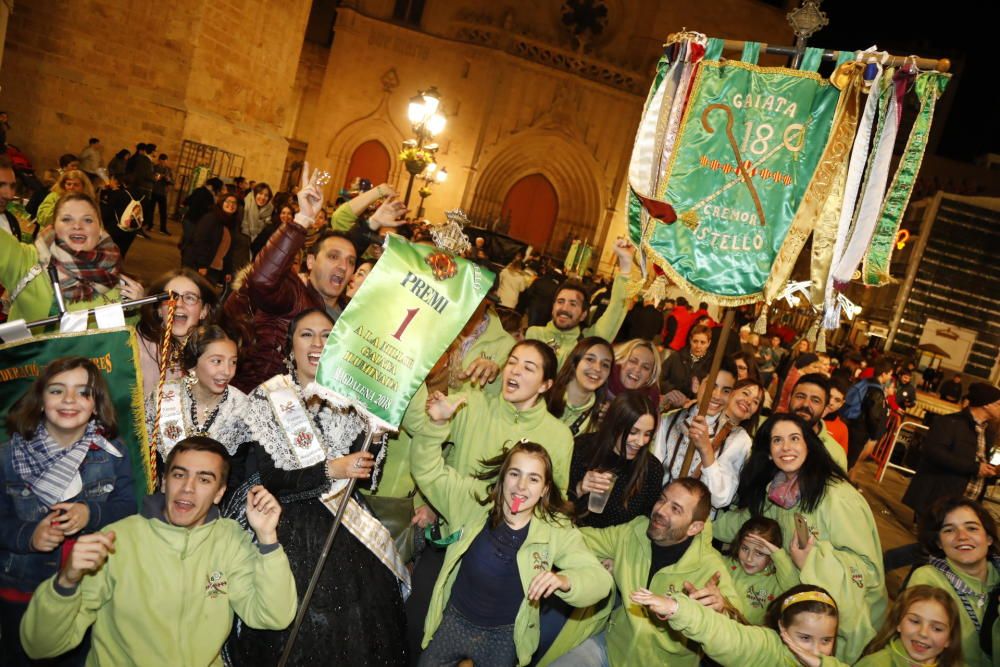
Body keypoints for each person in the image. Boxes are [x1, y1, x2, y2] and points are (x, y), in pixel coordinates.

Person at [230, 308, 409, 666]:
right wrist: (331, 468)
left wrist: (375, 434)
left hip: (346, 523)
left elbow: (369, 477)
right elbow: (272, 479)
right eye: (306, 334)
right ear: (289, 346)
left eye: (327, 335)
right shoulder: (269, 397)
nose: (317, 343)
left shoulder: (355, 399)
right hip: (286, 523)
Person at [19, 437, 297, 665]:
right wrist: (65, 582)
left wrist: (267, 539)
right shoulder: (117, 540)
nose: (187, 489)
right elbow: (41, 646)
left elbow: (273, 616)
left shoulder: (230, 538)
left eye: (204, 479)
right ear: (164, 482)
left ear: (219, 493)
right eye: (179, 475)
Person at [409, 392, 613, 667]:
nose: (521, 486)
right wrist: (436, 426)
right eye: (515, 474)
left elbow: (601, 581)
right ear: (502, 478)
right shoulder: (473, 502)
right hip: (454, 620)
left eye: (533, 479)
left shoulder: (555, 529)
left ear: (544, 490)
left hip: (505, 636)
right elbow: (428, 471)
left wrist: (564, 580)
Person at [403, 340, 572, 662]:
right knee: (417, 626)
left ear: (546, 384)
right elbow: (426, 446)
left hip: (506, 559)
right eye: (512, 362)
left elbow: (553, 503)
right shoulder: (474, 404)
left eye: (528, 367)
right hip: (452, 537)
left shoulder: (558, 436)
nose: (515, 371)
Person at [713, 414, 887, 663]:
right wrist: (696, 520)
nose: (786, 447)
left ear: (809, 444)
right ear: (769, 452)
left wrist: (812, 560)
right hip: (792, 620)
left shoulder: (838, 498)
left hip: (832, 629)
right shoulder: (775, 489)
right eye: (777, 440)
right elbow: (744, 525)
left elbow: (868, 570)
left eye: (794, 438)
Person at [0, 358, 136, 666]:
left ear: (96, 404)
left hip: (88, 590)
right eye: (57, 391)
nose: (69, 401)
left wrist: (91, 514)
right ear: (40, 400)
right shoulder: (7, 457)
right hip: (23, 588)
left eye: (82, 392)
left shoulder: (112, 453)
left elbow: (127, 508)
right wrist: (29, 536)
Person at [225, 167, 406, 393]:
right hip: (262, 406)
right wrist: (302, 219)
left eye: (351, 262)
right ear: (310, 262)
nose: (343, 266)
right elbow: (261, 279)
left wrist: (371, 224)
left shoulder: (350, 313)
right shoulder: (291, 294)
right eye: (332, 257)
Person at [545, 478, 742, 666]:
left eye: (675, 509)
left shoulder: (710, 569)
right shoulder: (635, 530)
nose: (660, 510)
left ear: (695, 527)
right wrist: (537, 525)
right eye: (662, 499)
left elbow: (739, 636)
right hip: (611, 647)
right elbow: (581, 539)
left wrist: (723, 610)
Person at [0, 192, 144, 324]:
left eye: (87, 220)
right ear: (53, 226)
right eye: (66, 219)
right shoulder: (26, 260)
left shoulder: (119, 283)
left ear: (99, 229)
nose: (77, 226)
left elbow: (122, 343)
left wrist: (135, 310)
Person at [632, 584, 850, 667]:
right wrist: (677, 608)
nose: (814, 650)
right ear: (782, 628)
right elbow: (726, 635)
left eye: (825, 640)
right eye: (804, 638)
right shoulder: (768, 647)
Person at [906, 497, 1000, 667]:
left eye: (971, 528)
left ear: (989, 538)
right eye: (949, 530)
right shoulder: (928, 580)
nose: (962, 537)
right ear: (939, 543)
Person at [145, 324, 250, 462]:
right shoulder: (163, 398)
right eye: (217, 361)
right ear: (193, 363)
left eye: (233, 362)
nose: (227, 371)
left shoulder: (241, 407)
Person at [525, 239, 634, 368]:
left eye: (573, 304)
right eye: (560, 301)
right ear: (553, 307)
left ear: (583, 314)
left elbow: (616, 309)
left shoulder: (587, 343)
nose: (564, 308)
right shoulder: (534, 335)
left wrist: (626, 265)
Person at [660, 375, 762, 514]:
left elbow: (722, 497)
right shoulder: (678, 417)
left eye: (755, 402)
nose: (749, 401)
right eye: (745, 393)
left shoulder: (741, 440)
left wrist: (706, 449)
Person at [903, 383, 1000, 520]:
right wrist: (975, 467)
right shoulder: (950, 422)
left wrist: (991, 471)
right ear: (986, 404)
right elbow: (934, 453)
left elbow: (977, 462)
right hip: (938, 503)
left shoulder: (987, 432)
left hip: (965, 505)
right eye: (998, 404)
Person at [569, 391, 662, 529]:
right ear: (615, 425)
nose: (640, 442)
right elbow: (555, 505)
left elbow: (644, 523)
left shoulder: (652, 469)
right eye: (633, 432)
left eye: (647, 434)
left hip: (614, 547)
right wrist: (579, 488)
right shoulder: (582, 448)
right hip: (572, 536)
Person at [135, 268, 219, 396]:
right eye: (170, 297)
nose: (178, 303)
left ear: (204, 311)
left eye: (190, 298)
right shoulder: (136, 350)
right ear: (158, 309)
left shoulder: (216, 352)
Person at [856, 584, 963, 666]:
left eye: (937, 628)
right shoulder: (874, 663)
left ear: (949, 639)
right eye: (915, 621)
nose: (923, 633)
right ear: (899, 623)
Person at [724, 517, 798, 625]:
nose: (749, 558)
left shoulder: (778, 581)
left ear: (771, 555)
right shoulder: (727, 564)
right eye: (745, 548)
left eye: (759, 553)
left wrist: (777, 554)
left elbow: (795, 589)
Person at [546, 337, 614, 436]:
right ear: (575, 362)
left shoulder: (599, 421)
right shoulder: (542, 396)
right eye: (590, 359)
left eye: (605, 365)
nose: (597, 368)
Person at [787, 373, 850, 471]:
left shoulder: (836, 453)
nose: (806, 404)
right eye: (800, 396)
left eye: (815, 400)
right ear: (789, 398)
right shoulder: (767, 428)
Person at [843, 358, 893, 476]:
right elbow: (873, 415)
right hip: (860, 429)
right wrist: (875, 433)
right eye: (890, 374)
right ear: (884, 374)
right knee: (848, 461)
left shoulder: (865, 382)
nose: (890, 377)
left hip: (849, 422)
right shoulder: (876, 391)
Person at [181, 191, 240, 285]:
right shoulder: (211, 218)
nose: (231, 205)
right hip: (200, 266)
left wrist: (227, 271)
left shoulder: (232, 224)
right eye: (228, 201)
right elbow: (200, 241)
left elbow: (229, 250)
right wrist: (202, 265)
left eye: (234, 203)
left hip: (215, 268)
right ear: (221, 203)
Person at [660, 324, 712, 409]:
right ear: (690, 340)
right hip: (670, 405)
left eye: (702, 342)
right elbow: (660, 377)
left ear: (709, 343)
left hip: (693, 410)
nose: (698, 346)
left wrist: (697, 392)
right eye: (695, 341)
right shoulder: (676, 356)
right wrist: (673, 392)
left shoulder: (711, 364)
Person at [606, 338, 661, 408]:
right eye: (633, 361)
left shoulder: (651, 401)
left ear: (650, 376)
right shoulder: (601, 380)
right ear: (620, 360)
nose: (637, 369)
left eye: (645, 367)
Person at [231, 182, 273, 269]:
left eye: (266, 195)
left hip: (253, 260)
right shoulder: (242, 208)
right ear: (254, 194)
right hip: (235, 255)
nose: (263, 197)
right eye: (260, 193)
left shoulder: (270, 216)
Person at [181, 176, 224, 244]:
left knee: (188, 240)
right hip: (195, 221)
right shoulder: (208, 195)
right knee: (191, 243)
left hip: (189, 219)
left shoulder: (199, 190)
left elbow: (187, 201)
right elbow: (208, 209)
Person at [821, 375, 850, 456]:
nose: (831, 402)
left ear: (841, 404)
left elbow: (840, 459)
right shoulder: (806, 414)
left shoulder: (842, 429)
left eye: (837, 400)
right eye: (829, 396)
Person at [151, 153, 173, 235]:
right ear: (159, 161)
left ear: (167, 161)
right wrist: (157, 177)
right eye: (161, 162)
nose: (163, 163)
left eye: (164, 162)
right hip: (154, 191)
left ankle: (163, 228)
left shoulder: (169, 170)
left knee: (163, 212)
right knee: (151, 210)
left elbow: (172, 181)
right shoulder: (154, 167)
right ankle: (150, 225)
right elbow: (152, 178)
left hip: (163, 193)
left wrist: (168, 179)